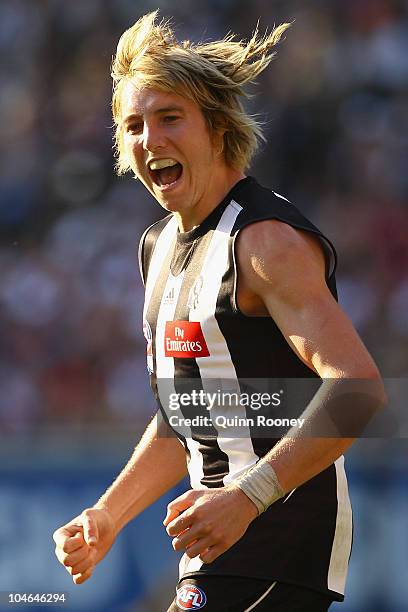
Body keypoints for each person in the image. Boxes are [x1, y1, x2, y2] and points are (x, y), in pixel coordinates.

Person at [53, 11, 385, 611]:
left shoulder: (265, 242)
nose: (149, 139)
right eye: (133, 125)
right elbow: (186, 413)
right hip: (217, 548)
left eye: (169, 117)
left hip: (277, 545)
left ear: (217, 127)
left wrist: (248, 496)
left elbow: (358, 390)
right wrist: (109, 514)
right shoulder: (157, 247)